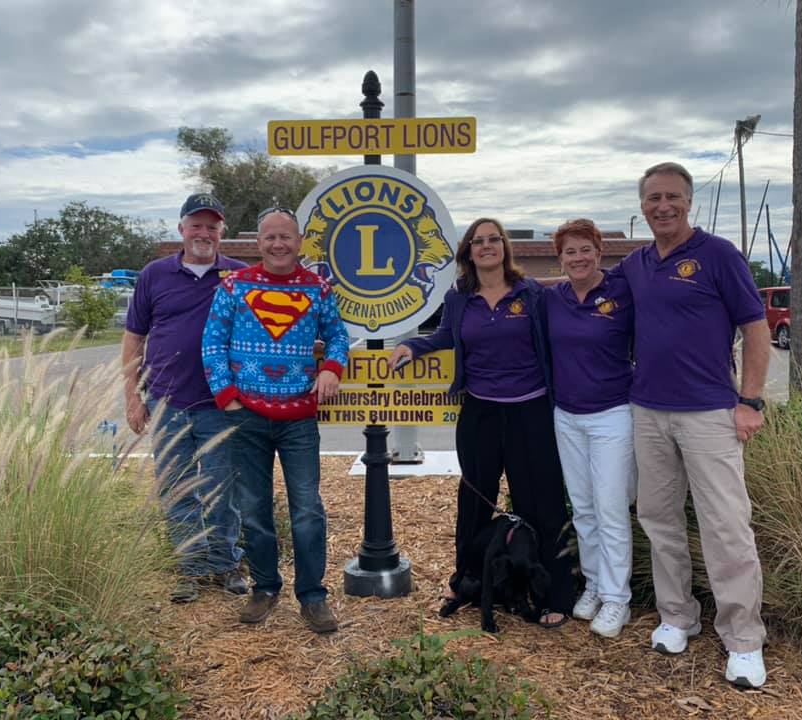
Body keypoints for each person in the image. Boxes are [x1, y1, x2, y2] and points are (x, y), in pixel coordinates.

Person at [613, 162, 771, 688]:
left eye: (672, 197)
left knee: (725, 524)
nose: (663, 206)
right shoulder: (636, 265)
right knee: (659, 519)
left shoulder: (718, 255)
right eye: (653, 198)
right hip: (648, 410)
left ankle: (744, 639)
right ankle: (678, 616)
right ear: (642, 206)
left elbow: (755, 329)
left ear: (689, 202)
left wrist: (750, 401)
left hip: (709, 413)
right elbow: (582, 285)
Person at [388, 217, 573, 628]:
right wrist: (411, 346)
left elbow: (560, 335)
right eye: (478, 241)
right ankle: (467, 581)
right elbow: (444, 337)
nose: (487, 246)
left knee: (539, 503)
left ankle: (552, 593)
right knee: (474, 501)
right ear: (468, 251)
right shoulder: (460, 298)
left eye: (494, 239)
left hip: (531, 411)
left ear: (505, 247)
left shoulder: (532, 294)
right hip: (480, 413)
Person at [201, 207, 349, 634]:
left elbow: (338, 335)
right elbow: (213, 341)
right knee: (253, 509)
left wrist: (330, 368)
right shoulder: (233, 286)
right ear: (258, 242)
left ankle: (313, 595)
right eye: (270, 237)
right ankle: (264, 587)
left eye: (286, 237)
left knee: (307, 510)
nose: (278, 244)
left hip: (299, 420)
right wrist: (227, 396)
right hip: (245, 417)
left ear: (299, 242)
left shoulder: (318, 289)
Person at [122, 193, 248, 603]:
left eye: (212, 226)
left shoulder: (240, 276)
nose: (204, 233)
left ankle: (226, 563)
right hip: (166, 401)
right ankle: (190, 568)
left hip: (222, 404)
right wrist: (132, 397)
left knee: (222, 490)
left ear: (221, 232)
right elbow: (134, 338)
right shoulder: (154, 275)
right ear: (181, 229)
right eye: (196, 224)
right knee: (176, 489)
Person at [545, 218, 636, 638]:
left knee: (611, 508)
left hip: (612, 415)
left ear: (599, 252)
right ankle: (596, 585)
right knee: (582, 508)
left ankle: (618, 598)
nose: (578, 258)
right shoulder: (554, 298)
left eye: (585, 249)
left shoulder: (622, 291)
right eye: (569, 251)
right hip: (567, 415)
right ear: (560, 258)